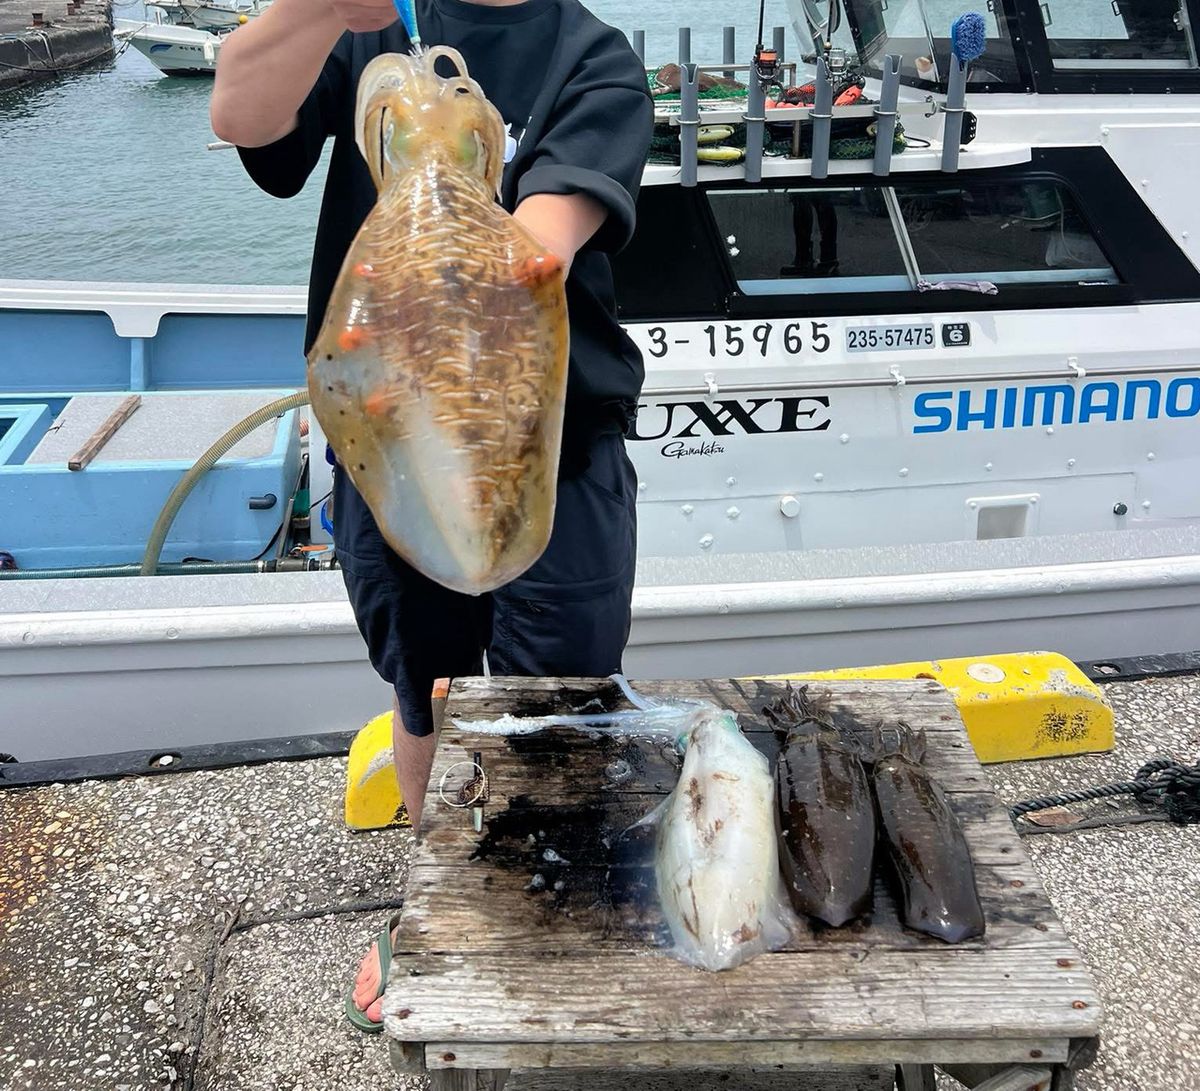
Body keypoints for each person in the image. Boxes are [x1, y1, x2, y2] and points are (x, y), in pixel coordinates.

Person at [211, 0, 652, 1032]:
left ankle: (549, 901)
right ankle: (442, 899)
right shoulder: (365, 28)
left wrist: (437, 177)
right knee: (427, 682)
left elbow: (537, 242)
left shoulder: (595, 60)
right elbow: (240, 112)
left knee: (565, 690)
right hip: (393, 442)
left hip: (555, 442)